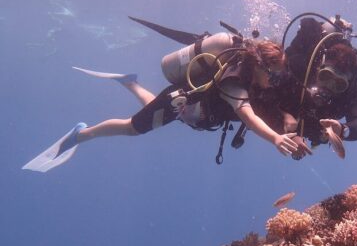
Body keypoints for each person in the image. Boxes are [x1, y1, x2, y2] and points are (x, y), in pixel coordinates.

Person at [23, 40, 298, 172]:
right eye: (273, 74)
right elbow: (248, 117)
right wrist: (275, 138)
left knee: (158, 112)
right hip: (180, 104)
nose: (275, 81)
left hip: (186, 109)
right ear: (259, 65)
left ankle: (130, 82)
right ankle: (81, 134)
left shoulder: (248, 74)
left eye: (279, 76)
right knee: (133, 128)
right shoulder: (235, 83)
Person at [268, 17, 357, 160]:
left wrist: (342, 130)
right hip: (288, 114)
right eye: (326, 76)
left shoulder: (356, 92)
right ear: (319, 66)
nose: (328, 86)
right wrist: (284, 121)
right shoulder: (299, 66)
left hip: (315, 130)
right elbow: (265, 96)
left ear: (348, 83)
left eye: (339, 84)